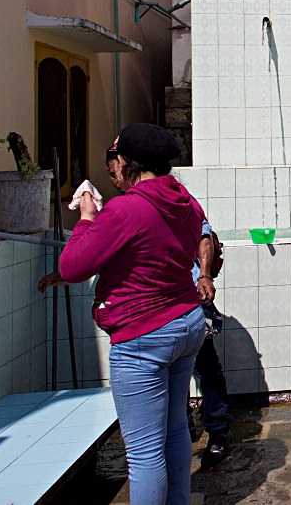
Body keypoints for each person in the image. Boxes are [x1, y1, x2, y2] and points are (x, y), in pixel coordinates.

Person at [57, 124, 206, 505]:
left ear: (126, 162)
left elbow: (73, 267)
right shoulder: (186, 201)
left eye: (117, 160)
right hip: (186, 322)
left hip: (144, 335)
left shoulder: (125, 208)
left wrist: (88, 218)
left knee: (143, 452)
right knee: (174, 430)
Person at [189, 221, 232, 468]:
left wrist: (204, 275)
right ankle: (184, 428)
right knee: (172, 371)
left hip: (190, 295)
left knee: (206, 365)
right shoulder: (131, 205)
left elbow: (203, 234)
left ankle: (218, 431)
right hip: (159, 299)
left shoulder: (182, 201)